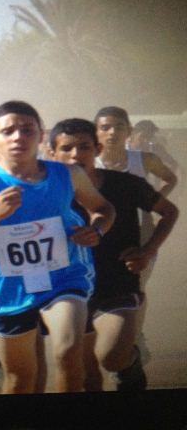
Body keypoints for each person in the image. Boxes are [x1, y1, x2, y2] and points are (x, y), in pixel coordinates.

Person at [0, 100, 115, 394]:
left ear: (41, 136)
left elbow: (103, 208)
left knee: (68, 352)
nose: (18, 136)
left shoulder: (68, 174)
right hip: (6, 287)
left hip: (64, 277)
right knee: (21, 378)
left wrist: (96, 229)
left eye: (27, 130)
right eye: (8, 131)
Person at [49, 118, 178, 391]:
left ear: (97, 149)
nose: (76, 155)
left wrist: (147, 250)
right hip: (70, 289)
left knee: (111, 357)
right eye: (67, 148)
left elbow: (170, 212)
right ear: (52, 154)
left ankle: (130, 364)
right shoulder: (45, 192)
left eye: (84, 147)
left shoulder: (126, 184)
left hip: (118, 281)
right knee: (86, 372)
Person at [94, 106, 178, 363]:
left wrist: (153, 200)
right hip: (101, 239)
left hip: (140, 235)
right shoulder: (89, 164)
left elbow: (171, 178)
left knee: (137, 286)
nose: (112, 133)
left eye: (119, 127)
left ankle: (135, 337)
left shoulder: (144, 159)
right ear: (96, 132)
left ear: (129, 131)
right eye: (105, 127)